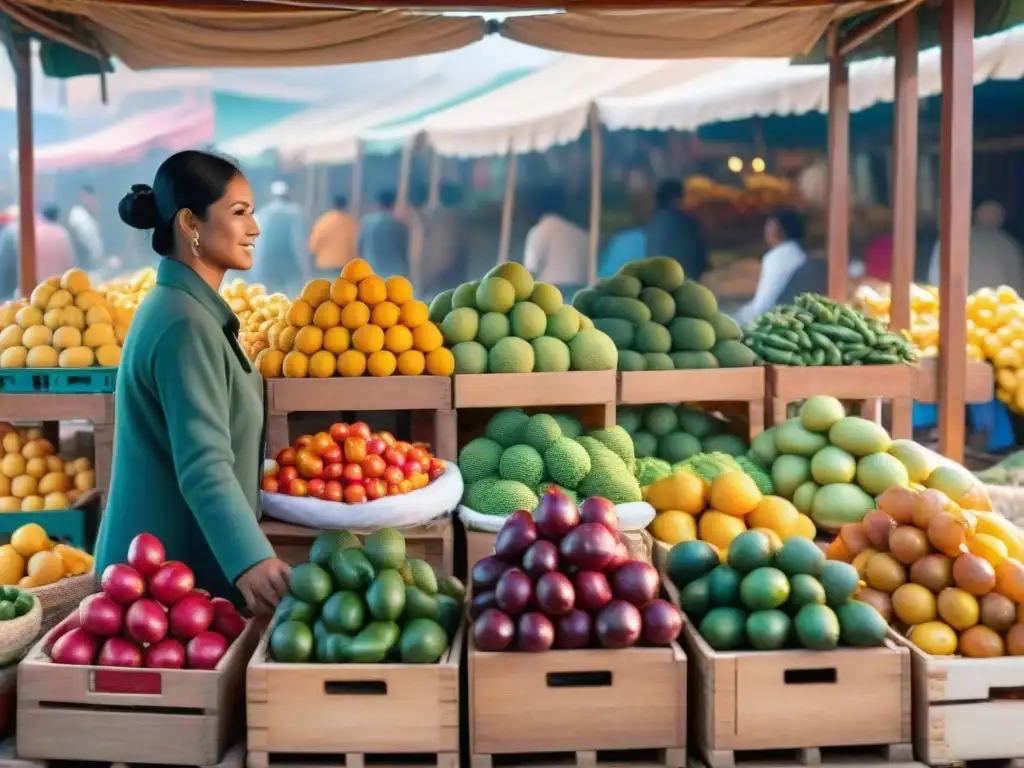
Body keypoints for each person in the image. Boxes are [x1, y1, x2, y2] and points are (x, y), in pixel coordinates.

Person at [96, 150, 290, 616]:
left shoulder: (186, 309)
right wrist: (253, 560)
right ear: (190, 223)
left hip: (171, 576)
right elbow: (204, 464)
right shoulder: (184, 324)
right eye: (239, 212)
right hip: (155, 589)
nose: (255, 228)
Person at [928, 201, 1024, 293]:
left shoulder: (953, 238)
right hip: (991, 305)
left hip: (963, 303)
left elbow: (935, 275)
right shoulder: (1008, 244)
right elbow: (1016, 282)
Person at [733, 209, 809, 325]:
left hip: (773, 319)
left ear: (778, 231)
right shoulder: (800, 255)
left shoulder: (776, 257)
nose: (766, 232)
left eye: (769, 227)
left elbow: (764, 304)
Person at [0, 204, 75, 298]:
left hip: (34, 290)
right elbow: (70, 264)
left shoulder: (32, 233)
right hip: (58, 291)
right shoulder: (62, 234)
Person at [251, 180, 310, 296]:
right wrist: (304, 266)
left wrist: (256, 268)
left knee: (271, 294)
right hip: (289, 260)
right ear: (289, 194)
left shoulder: (263, 213)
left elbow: (258, 243)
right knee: (292, 293)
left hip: (268, 259)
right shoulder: (296, 212)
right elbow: (298, 241)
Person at [523, 186, 588, 290]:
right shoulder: (583, 235)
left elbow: (530, 272)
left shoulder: (539, 230)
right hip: (578, 294)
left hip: (549, 295)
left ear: (536, 207)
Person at [645, 179, 708, 280]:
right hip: (684, 278)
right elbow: (699, 254)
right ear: (676, 199)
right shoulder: (685, 222)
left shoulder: (653, 223)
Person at [420, 181, 468, 296]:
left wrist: (427, 277)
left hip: (443, 279)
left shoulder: (445, 221)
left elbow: (441, 253)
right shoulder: (458, 219)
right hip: (454, 278)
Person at [358, 190, 409, 278]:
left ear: (377, 203)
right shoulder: (400, 225)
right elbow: (405, 249)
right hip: (396, 273)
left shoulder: (366, 222)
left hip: (372, 271)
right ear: (393, 204)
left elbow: (360, 246)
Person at [308, 195, 358, 276]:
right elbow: (356, 244)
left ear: (333, 205)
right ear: (345, 205)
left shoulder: (323, 220)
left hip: (325, 264)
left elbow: (314, 243)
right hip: (345, 265)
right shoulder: (352, 222)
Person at [68, 185, 104, 270]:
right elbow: (74, 237)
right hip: (83, 260)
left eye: (89, 197)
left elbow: (96, 243)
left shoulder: (93, 219)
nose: (86, 199)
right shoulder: (77, 214)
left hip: (96, 262)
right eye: (83, 196)